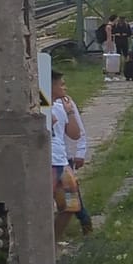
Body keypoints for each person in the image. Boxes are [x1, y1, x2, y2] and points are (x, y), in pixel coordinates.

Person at [48, 73, 83, 243]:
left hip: (61, 160)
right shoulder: (39, 100)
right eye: (61, 84)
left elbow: (75, 134)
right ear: (52, 86)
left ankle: (55, 239)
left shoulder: (63, 105)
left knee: (71, 204)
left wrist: (70, 112)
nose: (65, 87)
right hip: (47, 162)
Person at [63, 82, 93, 235]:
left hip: (64, 158)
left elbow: (79, 130)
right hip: (45, 158)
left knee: (71, 195)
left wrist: (80, 153)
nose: (64, 87)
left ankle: (84, 219)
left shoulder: (66, 102)